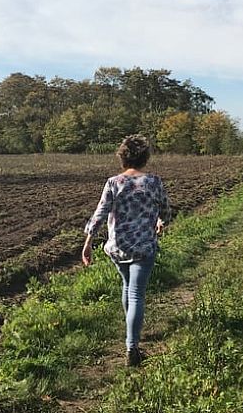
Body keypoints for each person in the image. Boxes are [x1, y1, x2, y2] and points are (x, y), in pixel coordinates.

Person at [82, 134, 171, 366]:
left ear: (122, 157)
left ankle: (132, 328)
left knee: (127, 287)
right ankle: (132, 348)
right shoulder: (154, 182)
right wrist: (161, 221)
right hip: (143, 248)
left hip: (117, 248)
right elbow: (166, 211)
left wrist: (88, 242)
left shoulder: (114, 182)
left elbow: (100, 214)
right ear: (145, 158)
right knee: (136, 294)